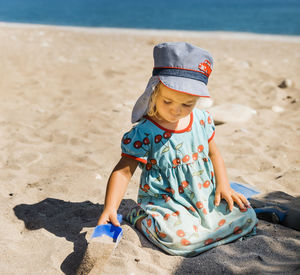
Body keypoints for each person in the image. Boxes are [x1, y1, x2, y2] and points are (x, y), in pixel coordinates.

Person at [97, 42, 257, 257]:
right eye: (167, 101)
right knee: (177, 240)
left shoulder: (201, 120)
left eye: (187, 104)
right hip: (166, 202)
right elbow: (124, 172)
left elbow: (214, 154)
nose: (176, 110)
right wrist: (110, 208)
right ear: (154, 90)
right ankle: (138, 215)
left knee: (247, 216)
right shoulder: (145, 131)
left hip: (203, 195)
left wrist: (224, 185)